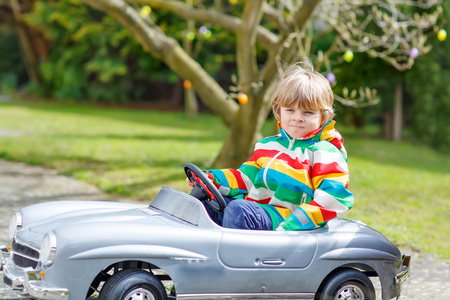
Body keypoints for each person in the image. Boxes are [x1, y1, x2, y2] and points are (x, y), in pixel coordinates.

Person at [187, 59, 353, 231]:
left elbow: (333, 197)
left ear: (323, 117)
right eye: (290, 110)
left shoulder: (323, 152)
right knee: (205, 203)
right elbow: (245, 179)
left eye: (308, 112)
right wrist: (211, 180)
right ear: (278, 111)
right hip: (257, 211)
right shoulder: (268, 146)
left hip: (286, 219)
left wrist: (292, 225)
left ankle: (235, 256)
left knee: (238, 211)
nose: (297, 117)